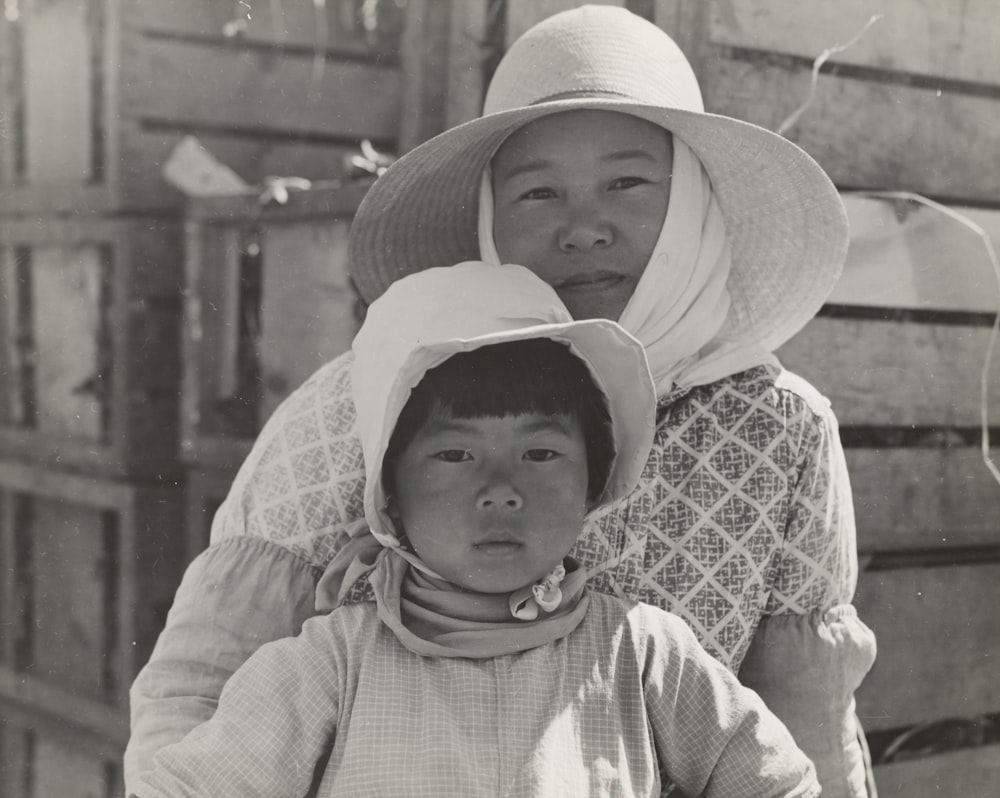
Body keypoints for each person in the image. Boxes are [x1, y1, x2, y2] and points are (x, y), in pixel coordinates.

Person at [126, 6, 876, 797]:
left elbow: (804, 728)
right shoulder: (377, 396)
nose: (584, 229)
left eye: (626, 183)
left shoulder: (778, 427)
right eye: (537, 194)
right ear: (487, 215)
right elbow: (201, 689)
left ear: (694, 199)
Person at [133, 262, 821, 798]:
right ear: (390, 495)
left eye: (542, 454)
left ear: (593, 483)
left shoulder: (641, 653)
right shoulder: (331, 665)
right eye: (455, 455)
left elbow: (779, 783)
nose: (500, 491)